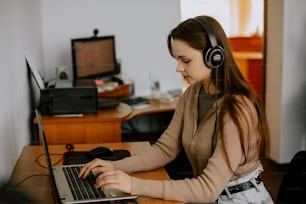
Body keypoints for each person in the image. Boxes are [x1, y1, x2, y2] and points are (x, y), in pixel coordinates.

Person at [79, 15, 273, 203]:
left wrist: (132, 185)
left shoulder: (237, 109)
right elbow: (165, 150)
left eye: (186, 60)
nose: (178, 68)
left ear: (214, 56)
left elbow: (207, 189)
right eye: (177, 60)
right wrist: (113, 167)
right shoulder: (191, 95)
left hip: (239, 198)